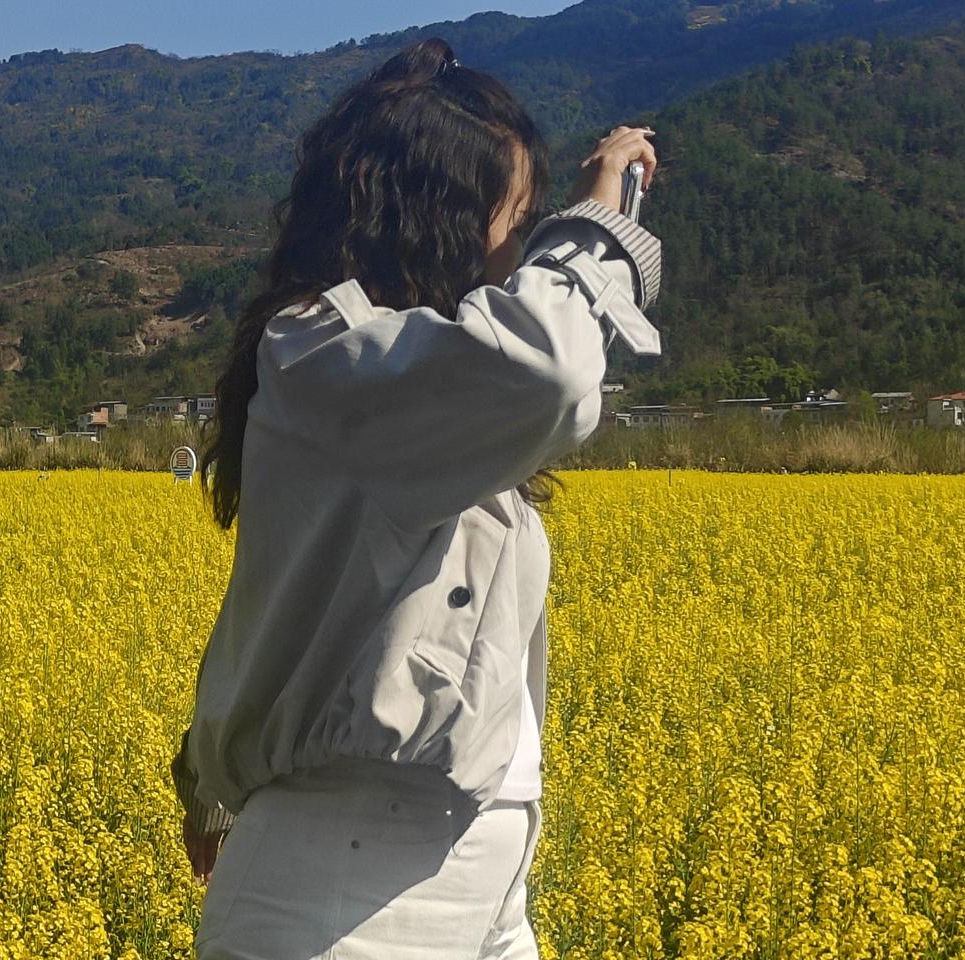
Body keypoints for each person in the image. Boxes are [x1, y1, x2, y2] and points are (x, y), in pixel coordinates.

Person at [172, 36, 662, 960]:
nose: (520, 250)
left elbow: (285, 596)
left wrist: (201, 764)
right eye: (511, 218)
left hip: (483, 879)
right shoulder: (323, 355)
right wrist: (595, 228)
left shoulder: (413, 389)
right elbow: (553, 368)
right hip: (343, 900)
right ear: (432, 217)